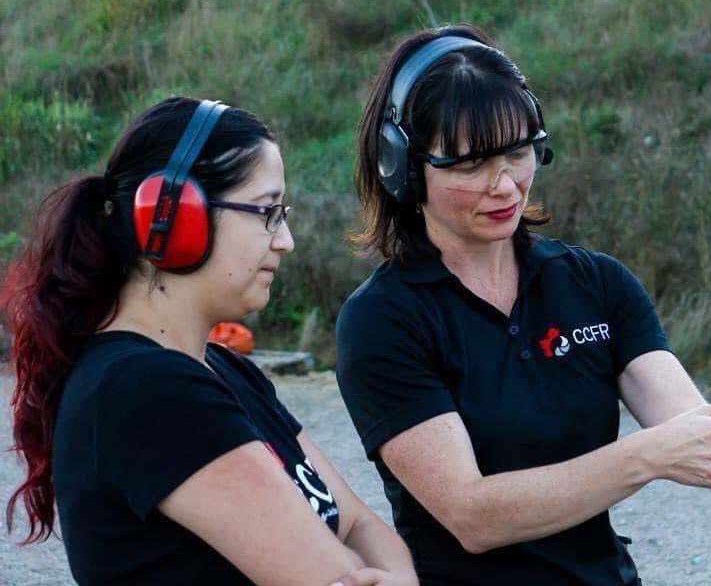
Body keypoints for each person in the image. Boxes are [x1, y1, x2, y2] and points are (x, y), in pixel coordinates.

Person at [335, 25, 711, 585]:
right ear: (402, 166)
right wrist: (647, 456)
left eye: (518, 153)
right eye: (470, 165)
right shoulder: (383, 320)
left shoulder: (595, 284)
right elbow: (473, 516)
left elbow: (695, 437)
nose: (505, 186)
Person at [2, 97, 417, 586]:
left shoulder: (223, 369)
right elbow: (332, 572)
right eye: (266, 212)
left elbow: (362, 524)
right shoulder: (148, 390)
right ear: (174, 216)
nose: (285, 240)